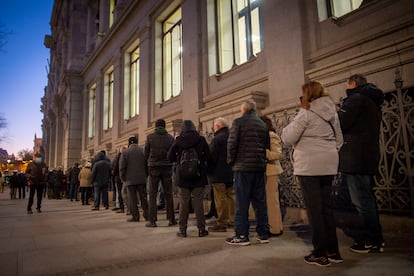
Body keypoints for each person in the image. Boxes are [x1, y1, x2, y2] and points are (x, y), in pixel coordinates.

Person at [281, 80, 343, 267]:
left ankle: (319, 253)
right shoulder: (333, 113)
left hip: (309, 166)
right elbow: (339, 140)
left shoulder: (305, 113)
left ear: (308, 94)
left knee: (315, 210)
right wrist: (328, 154)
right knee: (326, 208)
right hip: (329, 164)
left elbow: (287, 138)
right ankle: (333, 251)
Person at [338, 74, 385, 253]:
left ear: (353, 83)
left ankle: (372, 240)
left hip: (356, 158)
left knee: (361, 201)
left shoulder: (356, 99)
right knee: (367, 199)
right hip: (366, 156)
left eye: (346, 83)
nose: (345, 86)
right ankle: (375, 238)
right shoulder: (371, 101)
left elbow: (341, 123)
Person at [225, 99, 270, 246]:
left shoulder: (238, 122)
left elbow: (231, 145)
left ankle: (242, 235)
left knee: (242, 202)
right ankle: (263, 234)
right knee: (260, 202)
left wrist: (232, 163)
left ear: (243, 110)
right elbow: (266, 146)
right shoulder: (262, 124)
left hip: (243, 168)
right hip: (258, 167)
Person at [168, 120, 210, 237]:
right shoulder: (201, 139)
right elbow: (208, 156)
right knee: (198, 203)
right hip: (198, 175)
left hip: (183, 177)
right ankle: (201, 229)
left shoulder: (179, 140)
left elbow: (170, 156)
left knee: (184, 204)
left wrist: (178, 160)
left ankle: (182, 230)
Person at [144, 119, 176, 227]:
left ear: (156, 126)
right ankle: (171, 220)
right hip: (167, 167)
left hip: (153, 167)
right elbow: (173, 153)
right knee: (168, 194)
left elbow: (146, 153)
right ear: (165, 126)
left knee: (153, 194)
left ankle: (152, 221)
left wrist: (149, 164)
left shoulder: (150, 137)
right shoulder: (170, 138)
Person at [207, 117, 235, 232]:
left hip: (218, 174)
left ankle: (222, 223)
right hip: (231, 172)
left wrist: (209, 171)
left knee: (220, 199)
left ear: (217, 126)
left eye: (214, 126)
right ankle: (232, 220)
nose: (213, 128)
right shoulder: (232, 137)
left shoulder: (217, 139)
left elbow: (211, 157)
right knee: (231, 197)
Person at [260, 115, 284, 236]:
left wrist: (263, 151)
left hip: (271, 172)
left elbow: (278, 154)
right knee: (269, 202)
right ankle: (275, 226)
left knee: (272, 202)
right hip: (265, 172)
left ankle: (274, 229)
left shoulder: (271, 135)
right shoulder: (264, 136)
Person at [119, 136, 149, 222]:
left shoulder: (125, 153)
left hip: (130, 180)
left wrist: (123, 178)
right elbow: (147, 165)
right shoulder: (143, 151)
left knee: (132, 199)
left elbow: (122, 167)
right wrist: (145, 175)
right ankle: (147, 215)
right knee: (143, 198)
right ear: (137, 142)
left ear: (129, 144)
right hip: (141, 178)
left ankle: (135, 216)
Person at [112, 146, 126, 213]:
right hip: (125, 177)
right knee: (125, 192)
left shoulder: (118, 157)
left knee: (120, 192)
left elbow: (115, 167)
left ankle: (121, 207)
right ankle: (123, 207)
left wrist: (113, 174)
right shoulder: (126, 156)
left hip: (118, 177)